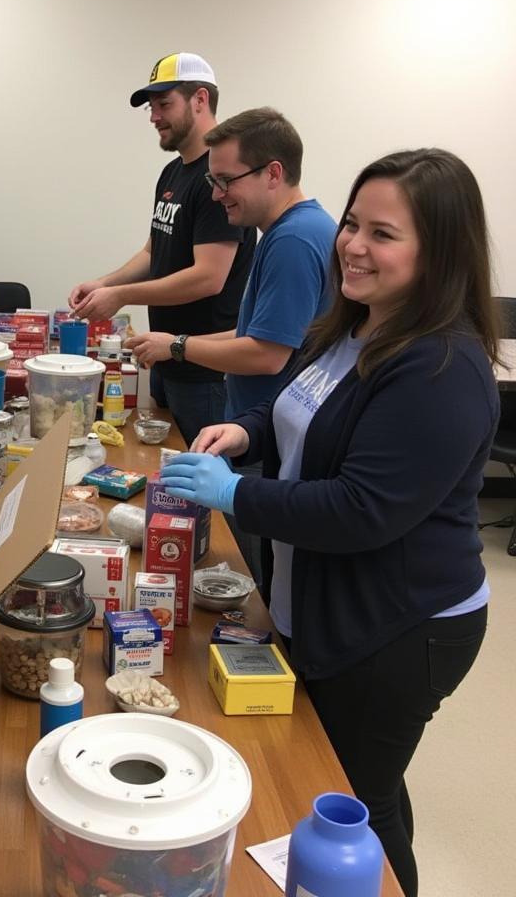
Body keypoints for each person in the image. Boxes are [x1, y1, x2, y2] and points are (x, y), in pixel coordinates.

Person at [160, 149, 498, 897]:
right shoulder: (354, 327)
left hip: (402, 626)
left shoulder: (441, 368)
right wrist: (245, 434)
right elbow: (296, 413)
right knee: (363, 781)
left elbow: (361, 510)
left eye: (383, 234)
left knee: (353, 806)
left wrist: (235, 496)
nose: (352, 244)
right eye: (352, 223)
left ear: (438, 252)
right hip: (332, 596)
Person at [129, 108, 336, 581]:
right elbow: (253, 331)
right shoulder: (283, 233)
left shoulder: (295, 240)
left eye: (225, 181)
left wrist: (178, 346)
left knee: (245, 571)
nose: (217, 195)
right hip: (260, 429)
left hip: (270, 438)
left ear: (273, 174)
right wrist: (172, 343)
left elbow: (265, 355)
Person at [67, 52, 256, 445]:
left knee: (201, 487)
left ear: (200, 100)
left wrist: (120, 296)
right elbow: (155, 251)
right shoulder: (172, 173)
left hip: (206, 371)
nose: (154, 116)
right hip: (167, 357)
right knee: (164, 467)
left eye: (164, 104)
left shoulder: (217, 178)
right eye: (151, 107)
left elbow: (209, 277)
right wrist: (104, 282)